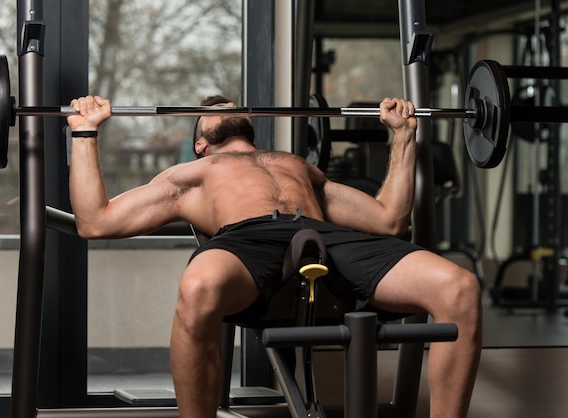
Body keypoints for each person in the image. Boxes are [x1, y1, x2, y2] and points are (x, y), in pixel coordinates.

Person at [67, 94, 482, 418]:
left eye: (229, 104)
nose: (224, 105)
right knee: (197, 287)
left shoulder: (294, 164)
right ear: (199, 142)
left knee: (459, 288)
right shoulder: (189, 176)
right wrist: (85, 132)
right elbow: (95, 221)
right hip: (247, 242)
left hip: (328, 238)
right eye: (208, 111)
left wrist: (403, 135)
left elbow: (390, 219)